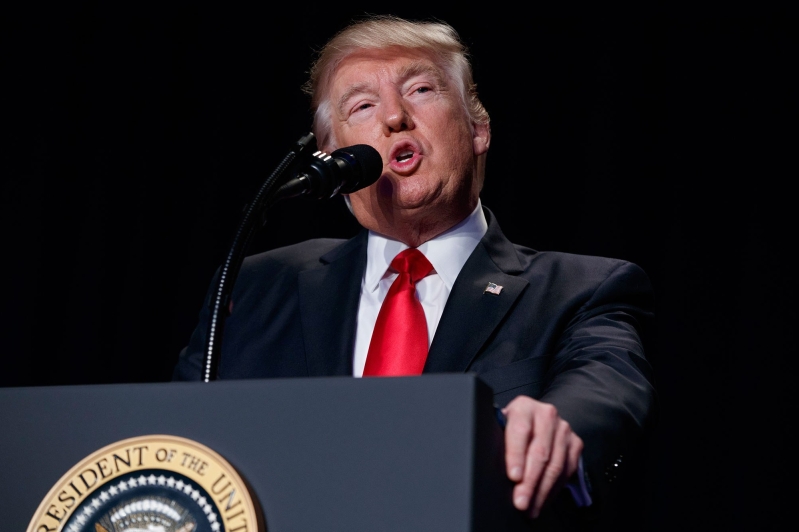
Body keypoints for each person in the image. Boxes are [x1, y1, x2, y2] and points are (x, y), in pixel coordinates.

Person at [174, 15, 656, 530]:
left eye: (421, 89)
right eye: (362, 106)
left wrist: (561, 424)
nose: (395, 118)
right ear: (334, 160)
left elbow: (606, 386)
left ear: (478, 129)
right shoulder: (254, 288)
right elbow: (172, 444)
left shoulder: (578, 290)